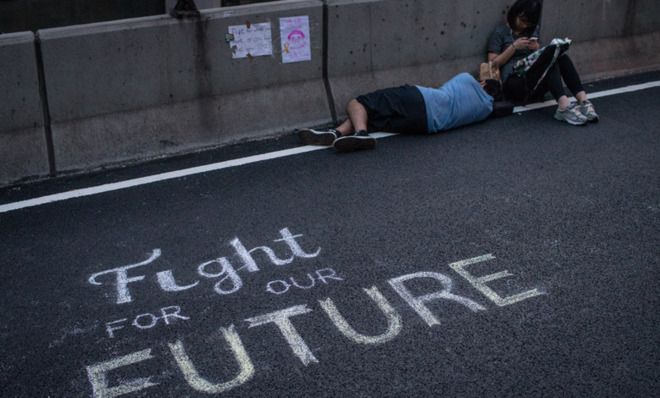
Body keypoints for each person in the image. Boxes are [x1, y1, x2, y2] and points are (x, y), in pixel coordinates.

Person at [298, 73, 501, 152]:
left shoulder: (467, 79)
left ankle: (360, 133)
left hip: (421, 99)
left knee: (359, 102)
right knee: (369, 114)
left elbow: (449, 85)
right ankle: (336, 133)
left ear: (482, 83)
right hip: (425, 126)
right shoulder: (485, 110)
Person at [487, 0, 599, 125]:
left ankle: (583, 102)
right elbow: (492, 64)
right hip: (513, 83)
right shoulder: (500, 32)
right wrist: (513, 47)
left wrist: (536, 48)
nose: (524, 26)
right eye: (522, 20)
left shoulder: (531, 31)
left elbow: (536, 58)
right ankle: (564, 107)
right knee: (549, 62)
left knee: (561, 58)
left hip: (533, 83)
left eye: (528, 23)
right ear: (514, 13)